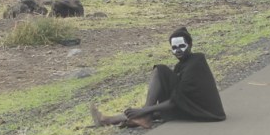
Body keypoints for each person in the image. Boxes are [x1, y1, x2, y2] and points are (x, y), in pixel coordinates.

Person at [91, 27, 226, 128]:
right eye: (174, 47)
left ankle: (144, 116)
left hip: (206, 111)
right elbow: (178, 96)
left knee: (160, 70)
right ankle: (107, 120)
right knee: (154, 110)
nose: (177, 50)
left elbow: (177, 99)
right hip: (192, 106)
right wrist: (145, 111)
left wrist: (144, 109)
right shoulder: (183, 64)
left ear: (190, 45)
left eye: (181, 46)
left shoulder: (196, 62)